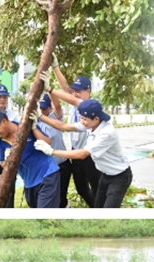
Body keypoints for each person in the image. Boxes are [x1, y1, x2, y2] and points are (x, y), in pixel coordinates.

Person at [31, 97, 132, 208]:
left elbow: (82, 154)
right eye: (81, 118)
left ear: (96, 119)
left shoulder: (106, 133)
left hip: (119, 177)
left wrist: (52, 151)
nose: (82, 122)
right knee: (98, 207)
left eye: (84, 119)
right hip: (106, 175)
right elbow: (63, 126)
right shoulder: (90, 124)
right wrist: (40, 116)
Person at [49, 54, 101, 207]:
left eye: (79, 91)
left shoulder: (92, 106)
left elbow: (70, 97)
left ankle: (103, 215)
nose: (75, 93)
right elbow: (66, 89)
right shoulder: (75, 105)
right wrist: (55, 67)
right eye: (74, 91)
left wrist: (50, 89)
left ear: (88, 91)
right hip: (76, 153)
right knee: (81, 188)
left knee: (97, 187)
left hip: (90, 154)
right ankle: (95, 209)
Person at [0, 109, 60, 208]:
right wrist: (9, 159)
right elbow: (2, 163)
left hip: (47, 173)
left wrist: (34, 128)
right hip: (29, 182)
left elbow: (48, 143)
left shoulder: (25, 126)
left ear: (3, 121)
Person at [38, 93, 72, 208]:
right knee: (50, 197)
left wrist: (50, 90)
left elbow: (58, 106)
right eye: (40, 108)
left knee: (61, 197)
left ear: (50, 108)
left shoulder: (55, 118)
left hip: (62, 164)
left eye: (44, 108)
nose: (41, 111)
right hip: (48, 169)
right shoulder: (36, 123)